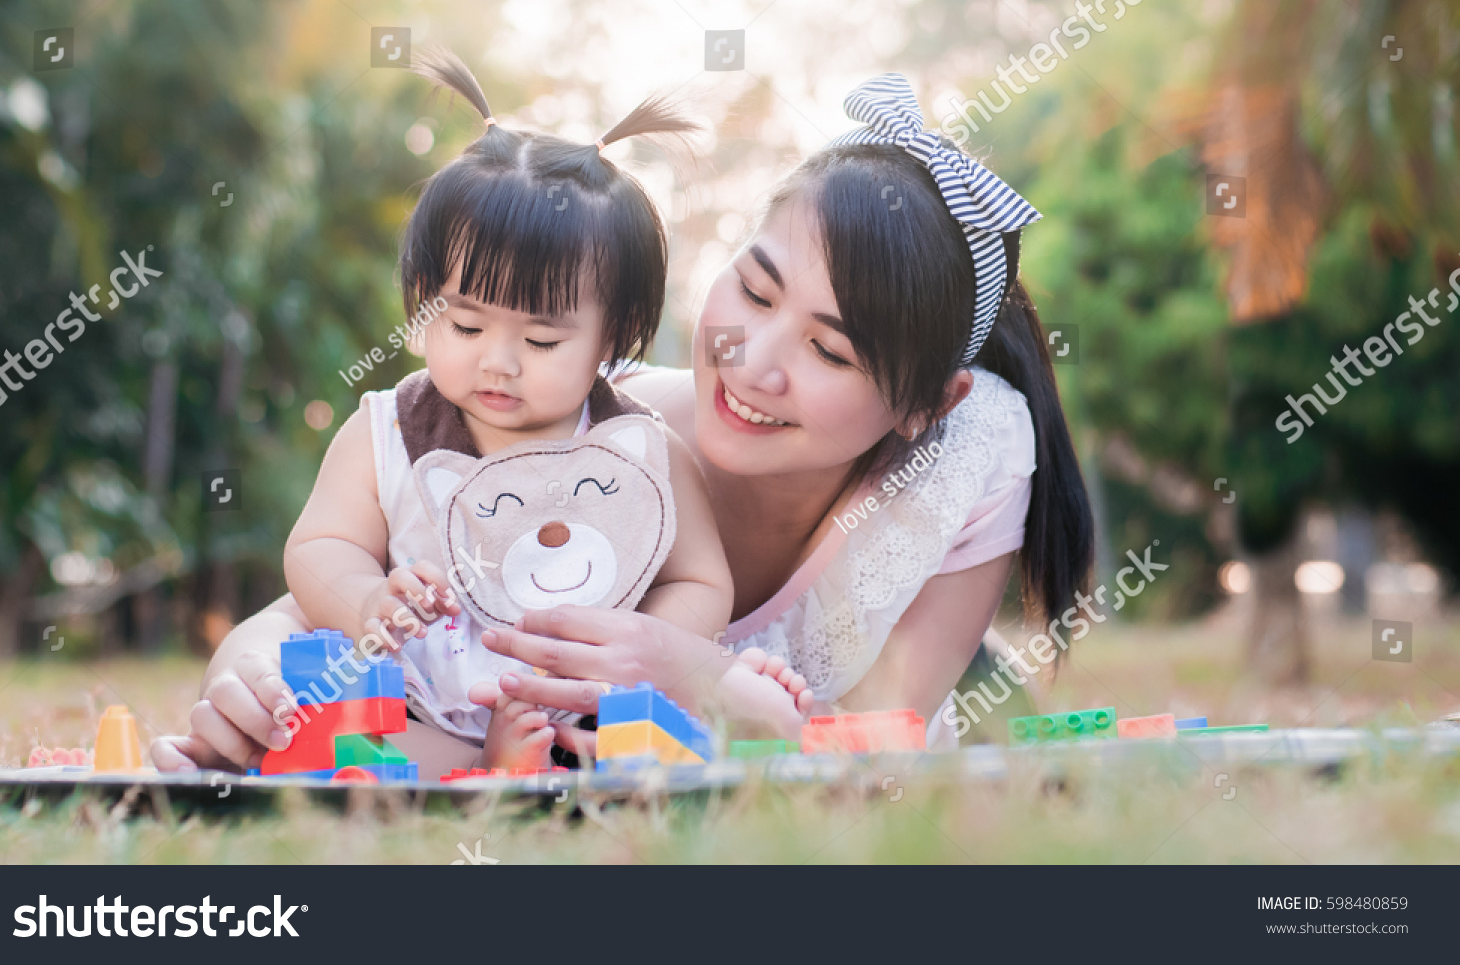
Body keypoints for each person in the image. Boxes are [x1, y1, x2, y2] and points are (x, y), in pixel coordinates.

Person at [151, 73, 1093, 772]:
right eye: (755, 290)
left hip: (907, 676)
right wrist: (250, 679)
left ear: (927, 402)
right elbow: (323, 581)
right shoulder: (558, 417)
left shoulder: (968, 448)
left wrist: (690, 667)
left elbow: (878, 747)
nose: (753, 362)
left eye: (830, 352)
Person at [232, 51, 806, 776]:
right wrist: (365, 597)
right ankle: (473, 769)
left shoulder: (639, 454)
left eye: (540, 339)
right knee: (320, 732)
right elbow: (318, 546)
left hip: (581, 712)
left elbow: (698, 581)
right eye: (466, 326)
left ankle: (540, 758)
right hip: (411, 706)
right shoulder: (385, 432)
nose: (498, 360)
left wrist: (641, 645)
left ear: (615, 331)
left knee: (679, 731)